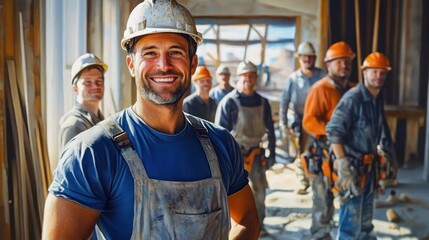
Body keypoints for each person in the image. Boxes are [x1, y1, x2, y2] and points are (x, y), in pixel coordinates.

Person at [42, 1, 260, 239]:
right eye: (150, 53)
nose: (164, 65)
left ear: (193, 63)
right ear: (131, 64)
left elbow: (248, 219)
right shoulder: (92, 153)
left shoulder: (221, 144)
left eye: (175, 52)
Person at [326, 52, 396, 239]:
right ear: (364, 73)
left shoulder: (377, 99)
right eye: (374, 72)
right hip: (352, 167)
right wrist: (342, 165)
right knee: (351, 221)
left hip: (368, 168)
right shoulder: (353, 99)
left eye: (382, 73)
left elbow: (380, 131)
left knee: (365, 220)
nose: (378, 77)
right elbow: (333, 132)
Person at [215, 61, 276, 236]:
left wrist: (271, 153)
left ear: (256, 77)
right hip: (236, 154)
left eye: (251, 75)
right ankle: (232, 230)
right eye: (245, 76)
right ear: (239, 78)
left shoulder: (263, 102)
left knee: (260, 191)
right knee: (232, 194)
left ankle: (259, 227)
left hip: (256, 153)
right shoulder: (230, 102)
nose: (248, 79)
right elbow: (220, 134)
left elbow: (270, 130)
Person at [302, 41, 356, 240]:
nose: (344, 65)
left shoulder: (352, 90)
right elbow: (309, 121)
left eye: (347, 61)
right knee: (323, 201)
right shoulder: (320, 89)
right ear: (328, 64)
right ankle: (320, 236)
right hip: (323, 153)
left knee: (348, 198)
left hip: (346, 153)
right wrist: (334, 132)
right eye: (339, 61)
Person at [279, 41, 326, 195]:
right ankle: (302, 180)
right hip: (298, 121)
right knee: (300, 152)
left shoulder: (322, 76)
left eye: (310, 57)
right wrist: (283, 123)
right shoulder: (293, 79)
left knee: (318, 151)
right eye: (304, 57)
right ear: (299, 58)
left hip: (318, 120)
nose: (307, 60)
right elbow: (284, 102)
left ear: (315, 58)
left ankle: (316, 180)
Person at [58, 53, 108, 152]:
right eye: (87, 82)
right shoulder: (74, 125)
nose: (95, 86)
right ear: (75, 88)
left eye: (99, 81)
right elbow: (71, 167)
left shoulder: (99, 120)